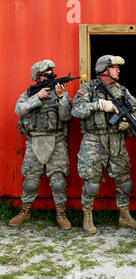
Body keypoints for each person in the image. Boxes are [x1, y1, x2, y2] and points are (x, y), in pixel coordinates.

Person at [71, 55, 136, 234]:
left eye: (118, 67)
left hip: (116, 140)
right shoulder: (88, 89)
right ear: (104, 70)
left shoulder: (122, 91)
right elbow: (76, 110)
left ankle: (125, 216)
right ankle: (87, 216)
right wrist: (97, 105)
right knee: (92, 182)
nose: (118, 70)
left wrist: (128, 122)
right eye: (114, 67)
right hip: (94, 140)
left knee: (124, 180)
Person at [10, 60, 72, 230]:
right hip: (34, 140)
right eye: (47, 71)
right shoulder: (29, 93)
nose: (52, 73)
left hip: (57, 139)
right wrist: (37, 98)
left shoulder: (60, 92)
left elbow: (67, 116)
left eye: (53, 70)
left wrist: (60, 97)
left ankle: (61, 213)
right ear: (38, 77)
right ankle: (25, 211)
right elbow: (19, 109)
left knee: (58, 181)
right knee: (30, 180)